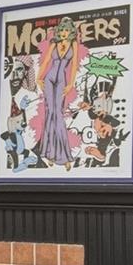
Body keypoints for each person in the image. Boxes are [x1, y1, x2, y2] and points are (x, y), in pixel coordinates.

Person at [35, 17, 82, 168]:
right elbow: (47, 61)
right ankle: (49, 153)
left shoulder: (73, 44)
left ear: (71, 31)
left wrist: (70, 84)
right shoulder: (54, 43)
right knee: (50, 113)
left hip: (62, 80)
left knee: (58, 114)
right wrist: (38, 78)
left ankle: (64, 157)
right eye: (61, 30)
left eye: (66, 30)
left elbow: (74, 64)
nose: (63, 33)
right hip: (49, 78)